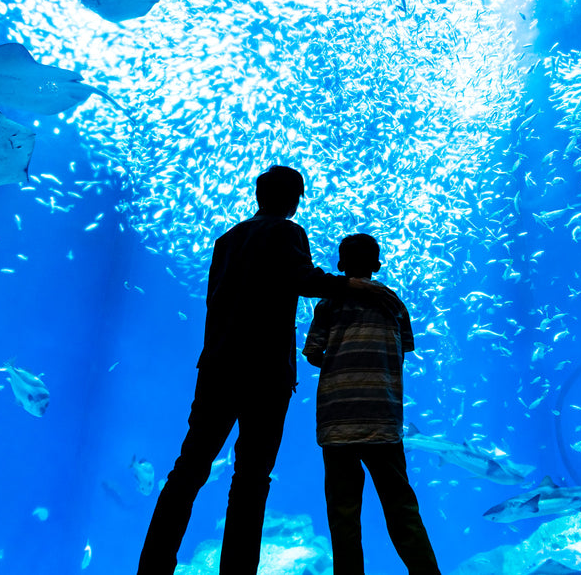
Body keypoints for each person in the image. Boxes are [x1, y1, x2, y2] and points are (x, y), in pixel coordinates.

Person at [137, 166, 397, 575]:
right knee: (252, 477)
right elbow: (302, 279)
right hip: (264, 374)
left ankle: (152, 567)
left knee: (188, 469)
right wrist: (352, 285)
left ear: (258, 195)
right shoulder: (286, 231)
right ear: (295, 199)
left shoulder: (226, 240)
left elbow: (217, 302)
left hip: (217, 368)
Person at [303, 233, 441, 575]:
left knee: (343, 514)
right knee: (402, 509)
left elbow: (312, 354)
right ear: (378, 265)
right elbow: (403, 351)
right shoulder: (393, 304)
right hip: (383, 419)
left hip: (337, 421)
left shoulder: (327, 304)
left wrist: (340, 362)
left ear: (339, 265)